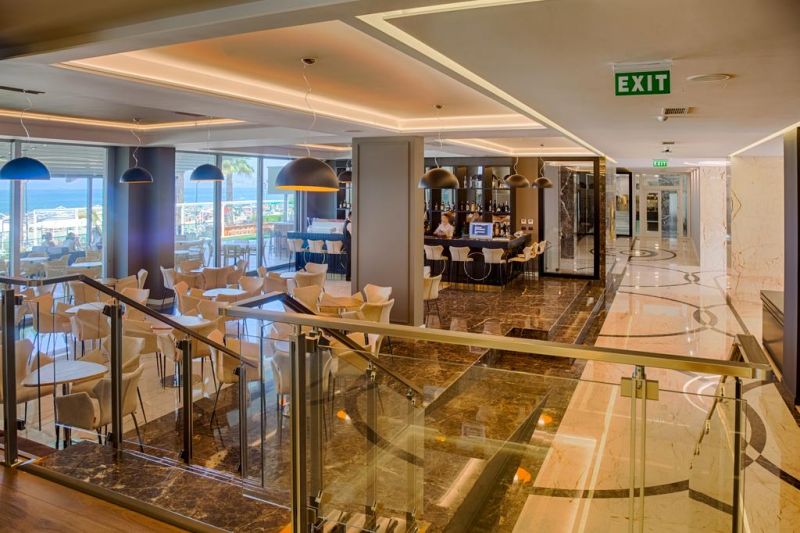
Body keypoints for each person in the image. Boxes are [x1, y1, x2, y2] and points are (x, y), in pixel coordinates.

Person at [343, 211, 352, 281]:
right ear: (350, 216)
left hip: (347, 244)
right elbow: (353, 235)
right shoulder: (350, 224)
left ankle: (348, 276)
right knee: (349, 260)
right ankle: (348, 277)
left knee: (349, 260)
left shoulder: (346, 223)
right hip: (349, 244)